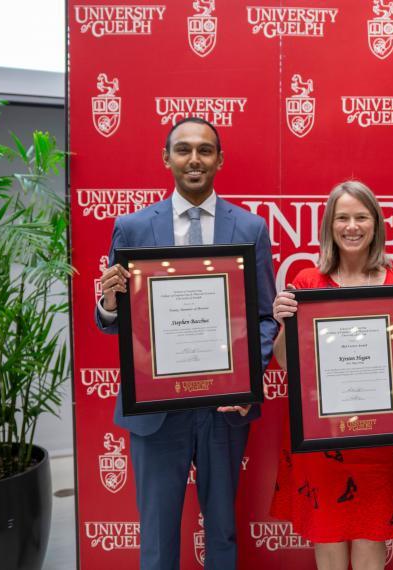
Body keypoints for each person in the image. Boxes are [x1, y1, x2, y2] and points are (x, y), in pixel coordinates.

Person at [95, 117, 278, 570]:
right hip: (156, 412)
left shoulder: (250, 228)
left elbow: (265, 317)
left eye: (204, 150)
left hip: (222, 410)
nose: (194, 159)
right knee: (157, 536)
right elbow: (115, 326)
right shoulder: (133, 228)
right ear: (167, 159)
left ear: (219, 159)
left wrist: (244, 382)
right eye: (183, 150)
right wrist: (108, 303)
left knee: (222, 532)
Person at [270, 181, 393, 570]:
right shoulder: (307, 283)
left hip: (379, 437)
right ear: (329, 226)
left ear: (375, 224)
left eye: (361, 216)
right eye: (342, 217)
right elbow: (287, 365)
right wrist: (284, 322)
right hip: (323, 440)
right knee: (328, 547)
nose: (351, 226)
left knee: (373, 547)